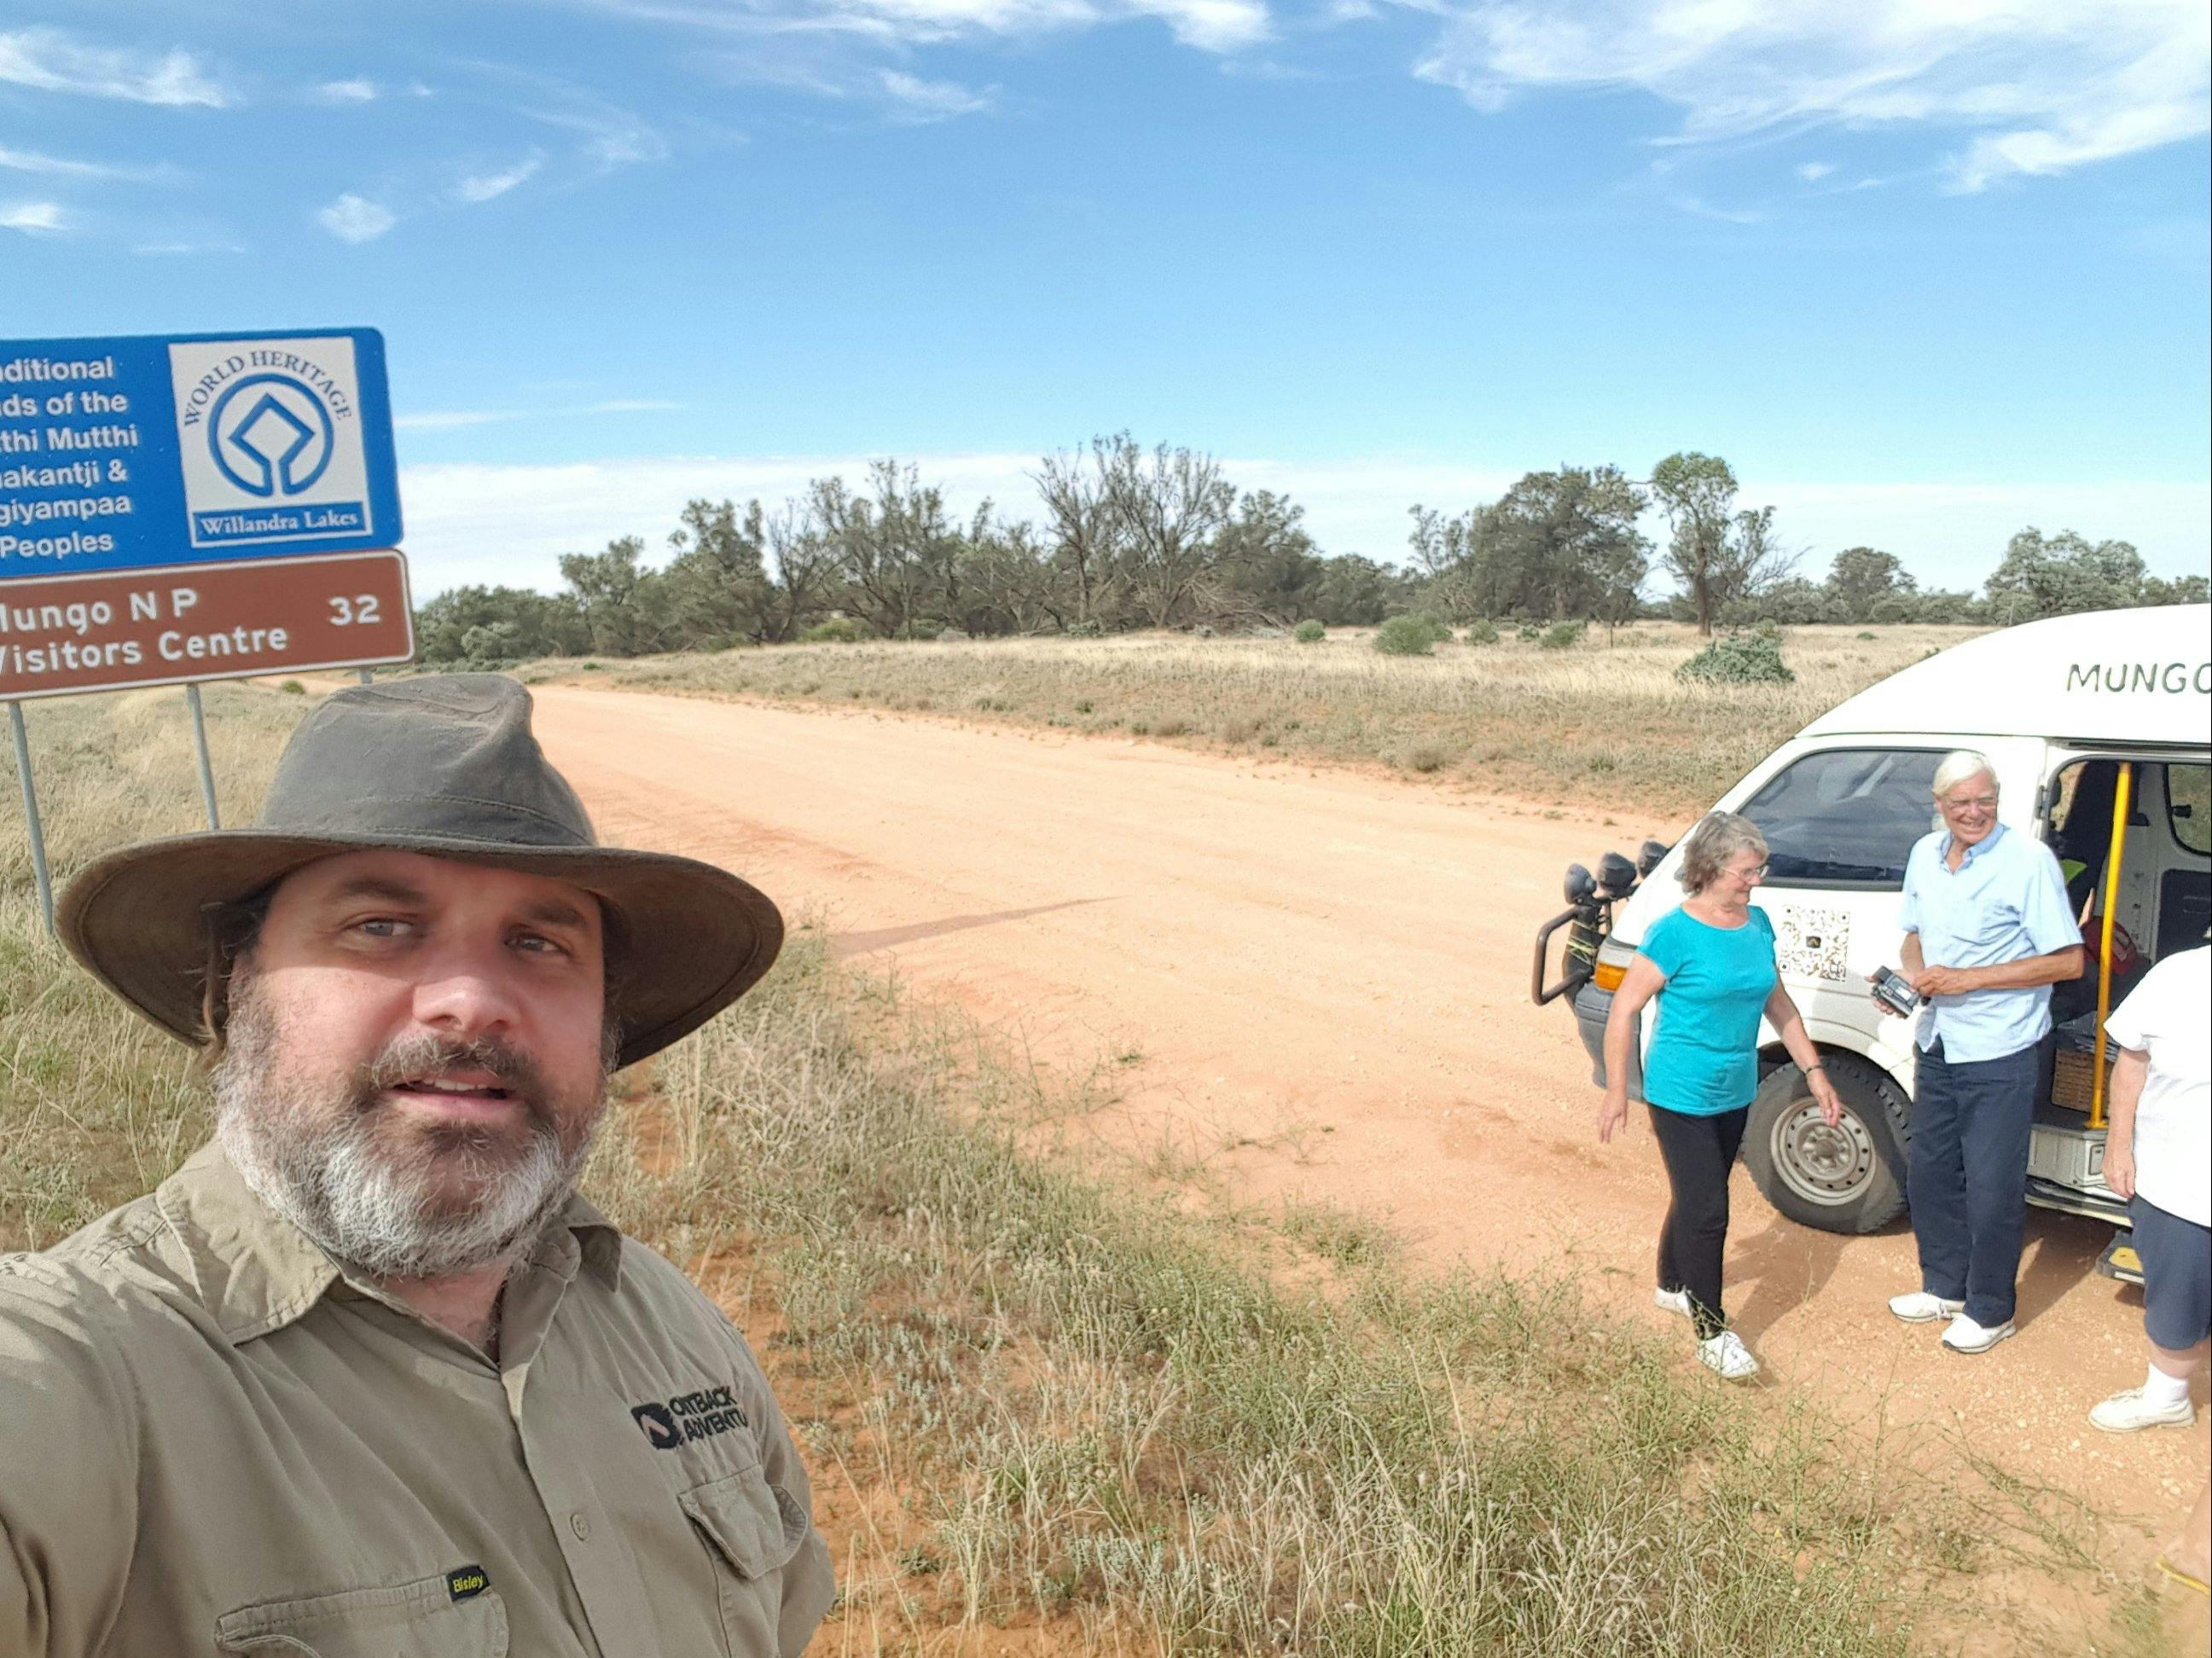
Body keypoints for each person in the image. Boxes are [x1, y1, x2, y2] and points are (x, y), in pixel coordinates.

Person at [0, 676, 835, 1656]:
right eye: (382, 927)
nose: (471, 1001)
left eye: (538, 942)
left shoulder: (669, 1327)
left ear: (603, 1028)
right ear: (235, 987)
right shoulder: (84, 1374)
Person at [1600, 811, 1843, 1381]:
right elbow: (1623, 1009)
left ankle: (1671, 1283)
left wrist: (1814, 1072)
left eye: (1760, 870)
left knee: (1697, 1192)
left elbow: (1777, 1003)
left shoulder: (1757, 924)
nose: (1756, 881)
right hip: (1679, 1089)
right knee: (1709, 1210)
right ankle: (1712, 1333)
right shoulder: (1673, 933)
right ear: (1710, 869)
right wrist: (1616, 1090)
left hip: (1734, 1087)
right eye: (1746, 872)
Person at [1878, 750, 2083, 1354]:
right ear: (1939, 805)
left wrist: (1967, 980)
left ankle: (1991, 1309)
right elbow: (1914, 935)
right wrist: (1913, 979)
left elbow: (2067, 961)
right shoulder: (1924, 853)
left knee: (1992, 1187)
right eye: (1961, 802)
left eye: (1984, 800)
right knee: (1931, 1173)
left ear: (1997, 799)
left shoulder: (2028, 861)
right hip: (1938, 1038)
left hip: (2000, 1048)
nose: (1974, 812)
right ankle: (1943, 1286)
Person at [2091, 942, 2209, 1597]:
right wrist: (2117, 1144)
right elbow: (2130, 1063)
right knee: (2174, 1298)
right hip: (2175, 1184)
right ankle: (2167, 1399)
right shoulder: (2176, 974)